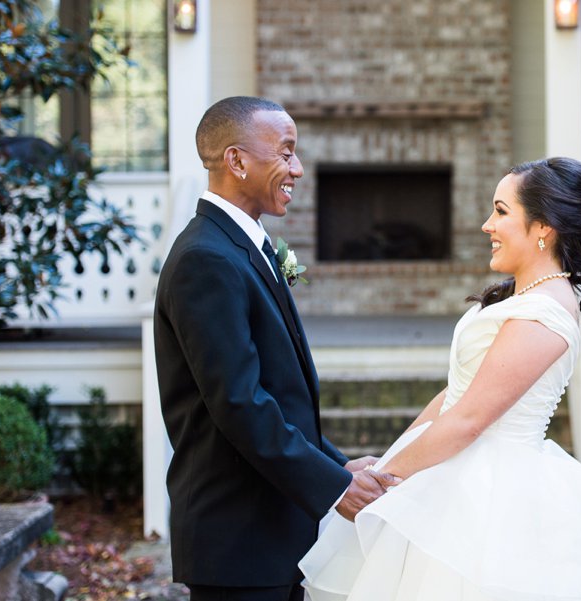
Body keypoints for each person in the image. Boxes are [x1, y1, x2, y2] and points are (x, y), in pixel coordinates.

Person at [299, 157, 581, 601]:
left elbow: (469, 418)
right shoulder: (523, 294)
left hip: (493, 496)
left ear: (543, 227)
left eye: (501, 211)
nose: (488, 224)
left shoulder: (544, 310)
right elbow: (455, 394)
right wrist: (388, 463)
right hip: (457, 472)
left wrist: (382, 484)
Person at [153, 96, 399, 601]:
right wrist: (333, 488)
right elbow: (240, 404)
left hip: (273, 532)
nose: (299, 169)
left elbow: (276, 395)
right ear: (237, 161)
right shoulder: (206, 259)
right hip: (239, 539)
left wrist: (336, 464)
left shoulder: (245, 246)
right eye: (286, 153)